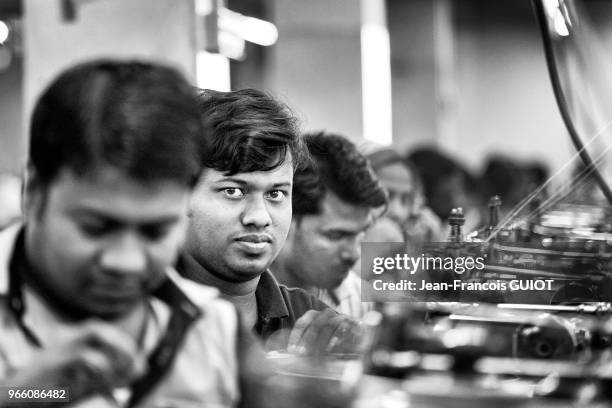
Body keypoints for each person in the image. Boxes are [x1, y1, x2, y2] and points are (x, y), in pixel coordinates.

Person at [0, 60, 252, 407]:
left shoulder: (215, 331)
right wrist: (20, 394)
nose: (126, 262)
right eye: (96, 228)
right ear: (35, 193)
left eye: (156, 232)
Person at [178, 89, 360, 353]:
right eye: (233, 191)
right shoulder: (142, 324)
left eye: (275, 194)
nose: (259, 217)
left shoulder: (315, 326)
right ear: (180, 196)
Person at [271, 132, 388, 319]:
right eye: (336, 235)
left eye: (361, 233)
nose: (353, 254)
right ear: (288, 216)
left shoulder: (358, 299)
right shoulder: (236, 305)